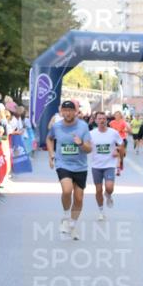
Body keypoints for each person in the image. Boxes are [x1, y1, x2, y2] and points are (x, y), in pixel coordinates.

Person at [46, 100, 93, 240]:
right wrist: (51, 154)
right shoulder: (57, 126)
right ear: (61, 112)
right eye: (64, 110)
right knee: (67, 190)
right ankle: (66, 217)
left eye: (70, 110)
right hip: (63, 164)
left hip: (80, 166)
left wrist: (81, 144)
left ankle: (72, 225)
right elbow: (49, 139)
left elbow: (89, 149)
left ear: (75, 112)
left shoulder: (83, 126)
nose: (67, 113)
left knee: (78, 198)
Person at [87, 112, 124, 220]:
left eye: (104, 118)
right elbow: (87, 147)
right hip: (96, 166)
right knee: (98, 190)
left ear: (106, 121)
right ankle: (101, 210)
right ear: (96, 121)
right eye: (99, 118)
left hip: (109, 165)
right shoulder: (91, 134)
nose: (102, 120)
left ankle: (108, 195)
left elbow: (121, 145)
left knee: (109, 187)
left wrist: (118, 151)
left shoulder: (113, 133)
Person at [109, 111, 129, 175]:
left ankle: (121, 162)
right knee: (118, 155)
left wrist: (124, 130)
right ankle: (118, 169)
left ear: (120, 116)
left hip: (122, 139)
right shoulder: (111, 123)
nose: (117, 116)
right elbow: (109, 130)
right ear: (114, 116)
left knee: (122, 155)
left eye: (118, 115)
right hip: (114, 140)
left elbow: (128, 130)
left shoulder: (123, 122)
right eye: (116, 115)